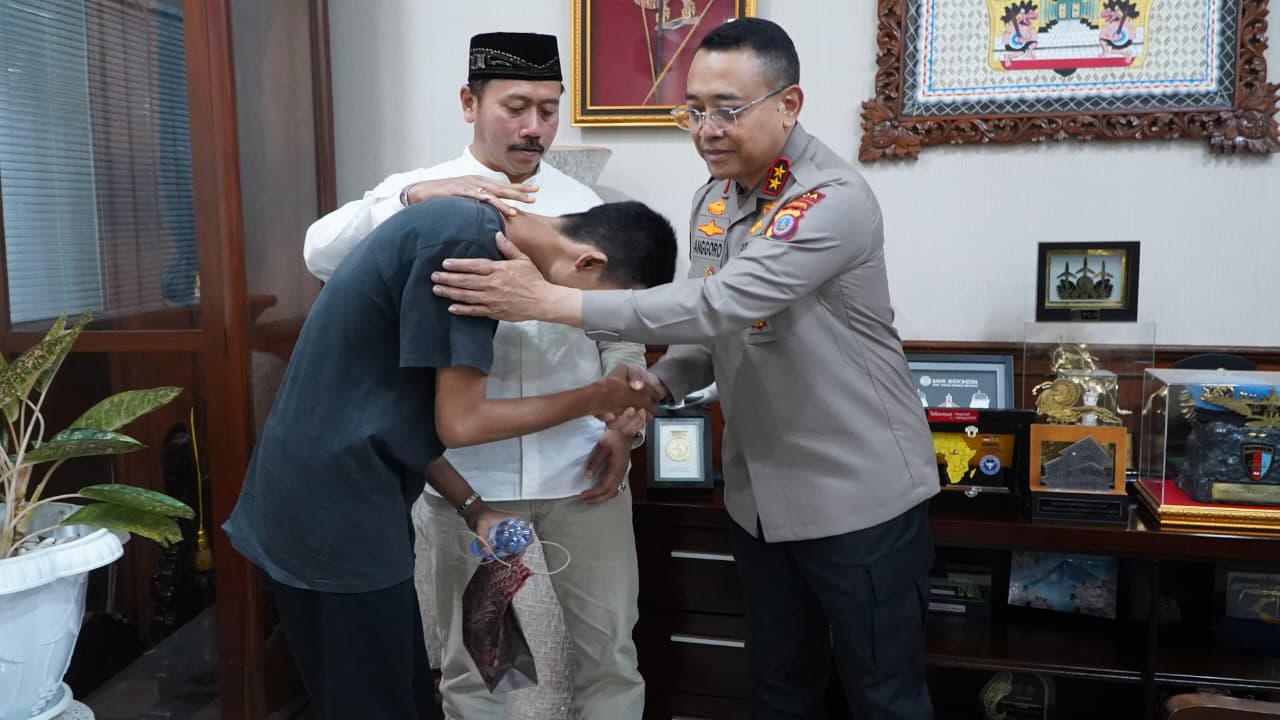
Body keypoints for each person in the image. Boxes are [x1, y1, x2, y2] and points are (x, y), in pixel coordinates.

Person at [432, 18, 941, 720]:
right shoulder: (716, 201)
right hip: (761, 502)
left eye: (727, 109)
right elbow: (713, 334)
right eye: (694, 110)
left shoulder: (829, 201)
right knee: (779, 687)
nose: (707, 129)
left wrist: (551, 301)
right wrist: (657, 385)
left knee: (884, 697)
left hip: (857, 498)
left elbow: (721, 302)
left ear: (788, 105)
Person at [223, 195, 675, 720]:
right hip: (336, 507)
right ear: (588, 262)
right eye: (600, 308)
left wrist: (471, 505)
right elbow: (460, 424)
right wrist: (595, 396)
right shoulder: (467, 245)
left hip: (352, 494)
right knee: (386, 698)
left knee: (406, 693)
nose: (587, 322)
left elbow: (400, 413)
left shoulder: (467, 227)